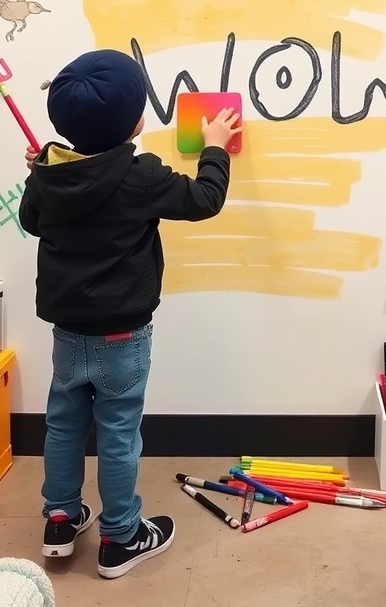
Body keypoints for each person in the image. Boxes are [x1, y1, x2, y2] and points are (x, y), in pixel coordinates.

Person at [20, 49, 240, 580]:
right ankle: (121, 538)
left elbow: (30, 219)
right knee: (118, 431)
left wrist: (42, 172)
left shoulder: (51, 171)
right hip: (122, 333)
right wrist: (214, 147)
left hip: (69, 332)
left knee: (63, 425)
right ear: (137, 122)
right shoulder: (140, 174)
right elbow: (206, 198)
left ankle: (60, 518)